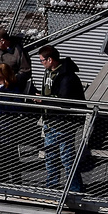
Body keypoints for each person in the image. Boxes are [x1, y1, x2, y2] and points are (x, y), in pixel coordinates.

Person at [38, 46, 85, 194]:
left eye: (42, 61)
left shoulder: (67, 76)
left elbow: (64, 100)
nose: (41, 64)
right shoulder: (49, 72)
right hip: (50, 121)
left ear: (50, 60)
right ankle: (51, 186)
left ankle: (75, 188)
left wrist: (43, 100)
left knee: (66, 158)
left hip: (63, 122)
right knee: (50, 156)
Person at [0, 62, 25, 180]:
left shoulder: (12, 88)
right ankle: (2, 178)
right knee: (0, 154)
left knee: (11, 155)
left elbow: (18, 106)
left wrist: (1, 102)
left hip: (8, 126)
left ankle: (16, 179)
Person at [0, 27, 33, 92]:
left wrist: (12, 79)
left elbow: (26, 71)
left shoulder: (18, 52)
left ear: (2, 41)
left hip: (12, 85)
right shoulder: (1, 50)